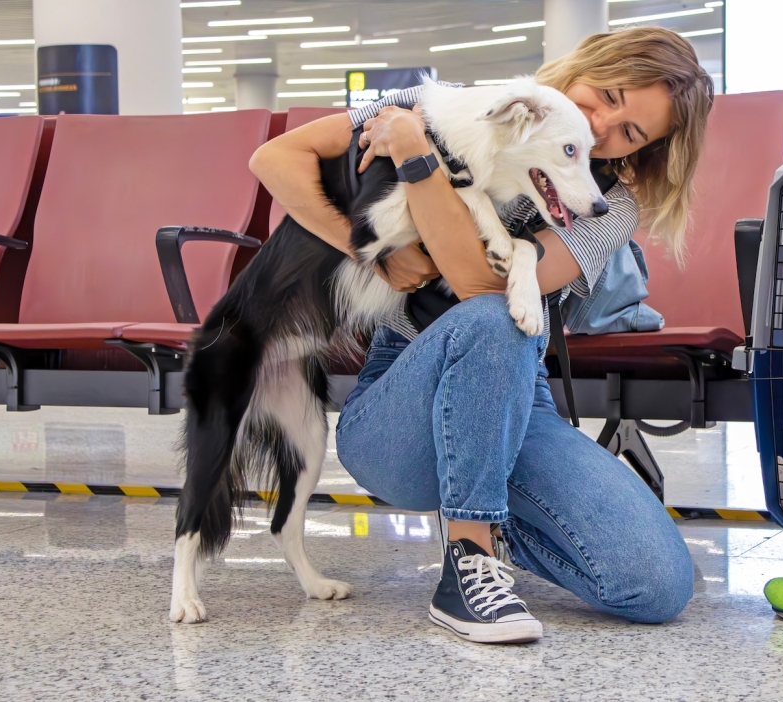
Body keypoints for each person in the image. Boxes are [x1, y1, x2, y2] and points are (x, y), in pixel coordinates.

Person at [248, 26, 713, 644]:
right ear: (585, 66)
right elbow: (274, 158)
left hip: (516, 398)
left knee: (655, 585)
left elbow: (476, 286)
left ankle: (492, 515)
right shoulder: (450, 105)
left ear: (642, 151)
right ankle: (468, 567)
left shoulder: (610, 205)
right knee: (505, 317)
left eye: (630, 133)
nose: (600, 127)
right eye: (606, 94)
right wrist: (368, 253)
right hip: (399, 401)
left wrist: (416, 158)